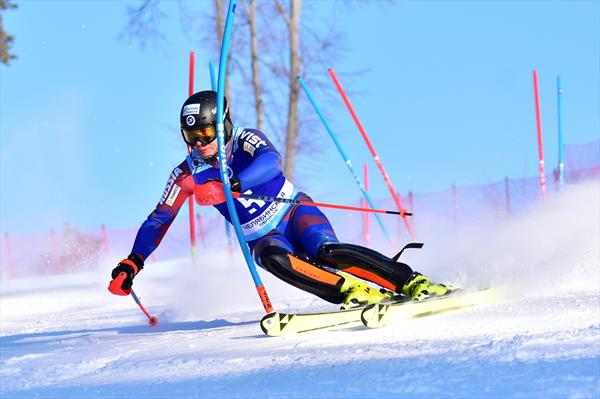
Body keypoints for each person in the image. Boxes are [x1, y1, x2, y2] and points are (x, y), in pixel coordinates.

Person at [108, 90, 452, 309]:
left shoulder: (246, 140)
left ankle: (408, 280)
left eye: (206, 134)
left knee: (325, 252)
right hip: (262, 235)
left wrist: (234, 180)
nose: (199, 144)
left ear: (223, 126)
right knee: (272, 259)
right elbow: (160, 218)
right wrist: (133, 261)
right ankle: (346, 291)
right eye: (191, 136)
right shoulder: (186, 174)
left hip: (292, 212)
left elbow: (272, 162)